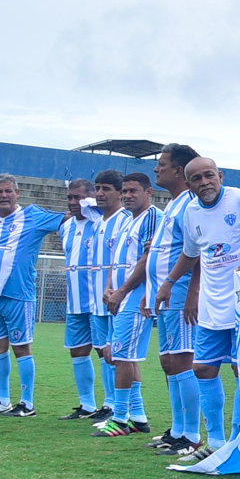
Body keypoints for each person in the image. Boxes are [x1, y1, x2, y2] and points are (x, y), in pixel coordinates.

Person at [155, 157, 240, 465]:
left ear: (220, 175)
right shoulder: (191, 212)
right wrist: (169, 282)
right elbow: (191, 253)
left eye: (209, 175)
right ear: (189, 183)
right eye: (196, 178)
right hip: (211, 305)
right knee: (203, 369)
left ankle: (238, 441)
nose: (204, 182)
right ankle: (216, 440)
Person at [0, 174, 65, 416]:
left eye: (8, 191)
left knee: (21, 347)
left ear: (17, 193)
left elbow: (67, 219)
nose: (4, 195)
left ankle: (27, 403)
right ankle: (2, 401)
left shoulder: (33, 216)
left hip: (18, 294)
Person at [139, 144, 200, 455]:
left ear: (179, 171)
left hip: (181, 295)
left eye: (161, 164)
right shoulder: (174, 205)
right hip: (165, 296)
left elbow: (198, 250)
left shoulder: (191, 203)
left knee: (182, 360)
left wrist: (192, 292)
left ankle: (192, 434)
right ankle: (177, 429)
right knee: (168, 361)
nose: (156, 169)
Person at [94, 173, 159, 437]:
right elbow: (116, 259)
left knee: (121, 356)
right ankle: (138, 417)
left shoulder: (152, 217)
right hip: (121, 296)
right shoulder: (127, 222)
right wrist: (109, 286)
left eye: (134, 191)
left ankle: (120, 418)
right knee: (126, 356)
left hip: (136, 297)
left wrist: (122, 292)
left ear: (149, 192)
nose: (128, 195)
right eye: (125, 192)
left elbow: (148, 260)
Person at [56, 178, 103, 420]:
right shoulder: (66, 226)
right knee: (78, 351)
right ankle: (87, 405)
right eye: (70, 197)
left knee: (105, 352)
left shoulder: (100, 222)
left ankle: (112, 405)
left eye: (79, 197)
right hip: (75, 302)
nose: (73, 202)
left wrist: (91, 207)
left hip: (98, 301)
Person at [88, 169, 128, 421]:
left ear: (120, 193)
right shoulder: (97, 222)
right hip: (96, 298)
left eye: (106, 189)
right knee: (102, 351)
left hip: (116, 297)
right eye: (97, 188)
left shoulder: (125, 219)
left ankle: (123, 408)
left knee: (118, 354)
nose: (100, 194)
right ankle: (108, 402)